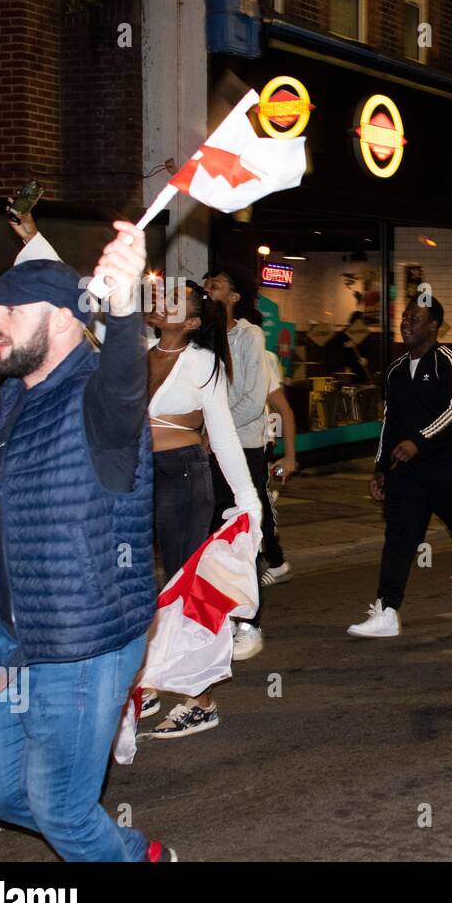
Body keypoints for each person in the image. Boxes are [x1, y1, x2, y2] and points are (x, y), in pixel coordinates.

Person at [0, 221, 177, 861]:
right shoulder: (15, 393)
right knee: (6, 798)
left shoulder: (101, 400)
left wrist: (123, 310)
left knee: (62, 813)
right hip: (14, 637)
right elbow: (0, 498)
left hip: (80, 643)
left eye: (11, 307)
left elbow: (126, 379)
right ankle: (134, 853)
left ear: (66, 319)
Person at [346, 296, 452, 637]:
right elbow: (390, 420)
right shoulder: (394, 370)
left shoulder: (450, 361)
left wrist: (418, 441)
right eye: (405, 317)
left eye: (415, 318)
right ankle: (387, 610)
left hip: (451, 465)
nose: (406, 322)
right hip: (407, 470)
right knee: (399, 537)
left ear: (434, 324)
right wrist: (380, 467)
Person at [143, 281, 262, 738]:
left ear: (192, 322)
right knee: (139, 586)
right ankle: (149, 678)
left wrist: (248, 501)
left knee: (186, 589)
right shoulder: (137, 351)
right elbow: (81, 317)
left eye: (173, 302)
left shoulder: (203, 363)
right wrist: (32, 236)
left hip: (184, 477)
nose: (159, 302)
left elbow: (225, 437)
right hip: (140, 479)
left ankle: (201, 700)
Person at [203, 269, 271, 656]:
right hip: (208, 448)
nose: (209, 290)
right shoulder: (202, 339)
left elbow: (253, 397)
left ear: (234, 297)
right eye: (206, 285)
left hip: (242, 447)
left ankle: (250, 623)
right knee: (213, 537)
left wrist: (214, 430)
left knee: (244, 534)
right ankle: (220, 618)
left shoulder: (249, 336)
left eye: (217, 286)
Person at [260, 348, 296, 586]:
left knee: (259, 500)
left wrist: (289, 453)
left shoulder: (264, 356)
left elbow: (278, 400)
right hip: (259, 438)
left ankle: (276, 561)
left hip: (261, 439)